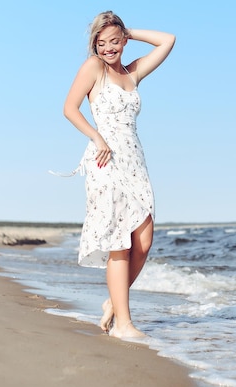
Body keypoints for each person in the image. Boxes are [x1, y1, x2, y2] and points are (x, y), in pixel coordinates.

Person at [63, 11, 175, 339]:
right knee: (119, 243)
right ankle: (123, 325)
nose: (109, 48)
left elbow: (168, 40)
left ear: (123, 40)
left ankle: (114, 302)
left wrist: (128, 30)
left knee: (144, 238)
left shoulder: (132, 72)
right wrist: (97, 137)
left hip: (135, 161)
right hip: (105, 160)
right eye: (102, 43)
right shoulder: (93, 68)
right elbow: (69, 108)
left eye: (115, 41)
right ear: (94, 45)